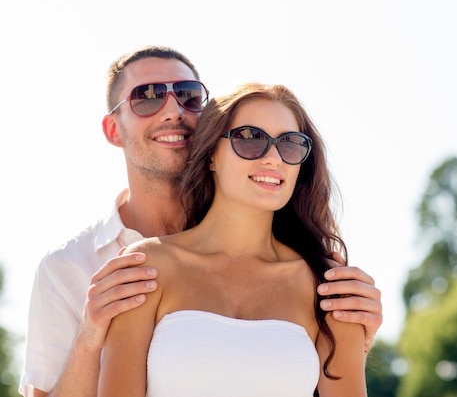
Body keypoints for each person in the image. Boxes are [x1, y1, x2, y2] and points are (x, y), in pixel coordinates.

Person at [20, 46, 382, 397]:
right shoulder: (106, 267)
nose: (173, 110)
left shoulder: (326, 281)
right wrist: (89, 335)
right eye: (146, 97)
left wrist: (358, 341)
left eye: (189, 96)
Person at [98, 82, 367, 396]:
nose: (274, 159)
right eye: (251, 139)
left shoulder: (327, 284)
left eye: (291, 144)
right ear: (212, 154)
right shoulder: (147, 266)